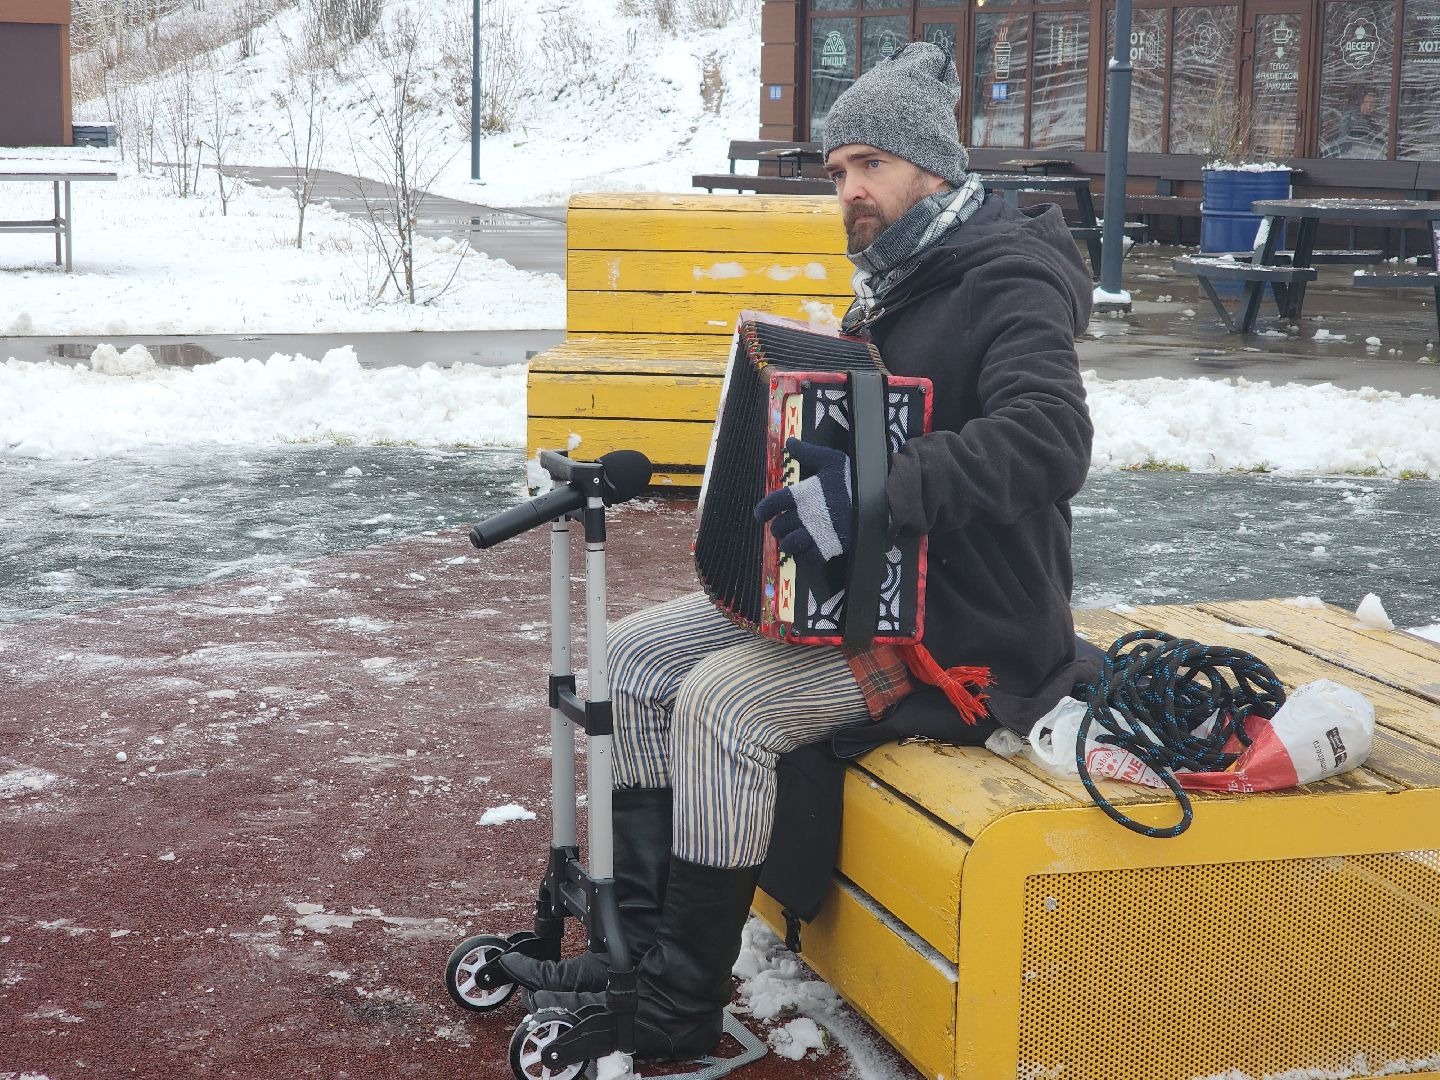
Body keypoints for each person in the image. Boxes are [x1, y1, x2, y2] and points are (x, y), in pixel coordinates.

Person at [499, 40, 1096, 1062]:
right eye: (836, 172)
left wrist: (874, 488)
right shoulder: (904, 275)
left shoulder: (1009, 278)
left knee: (723, 704)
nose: (849, 191)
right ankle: (637, 958)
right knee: (638, 656)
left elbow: (1052, 437)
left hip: (964, 626)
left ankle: (679, 1012)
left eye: (869, 165)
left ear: (933, 169)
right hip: (867, 589)